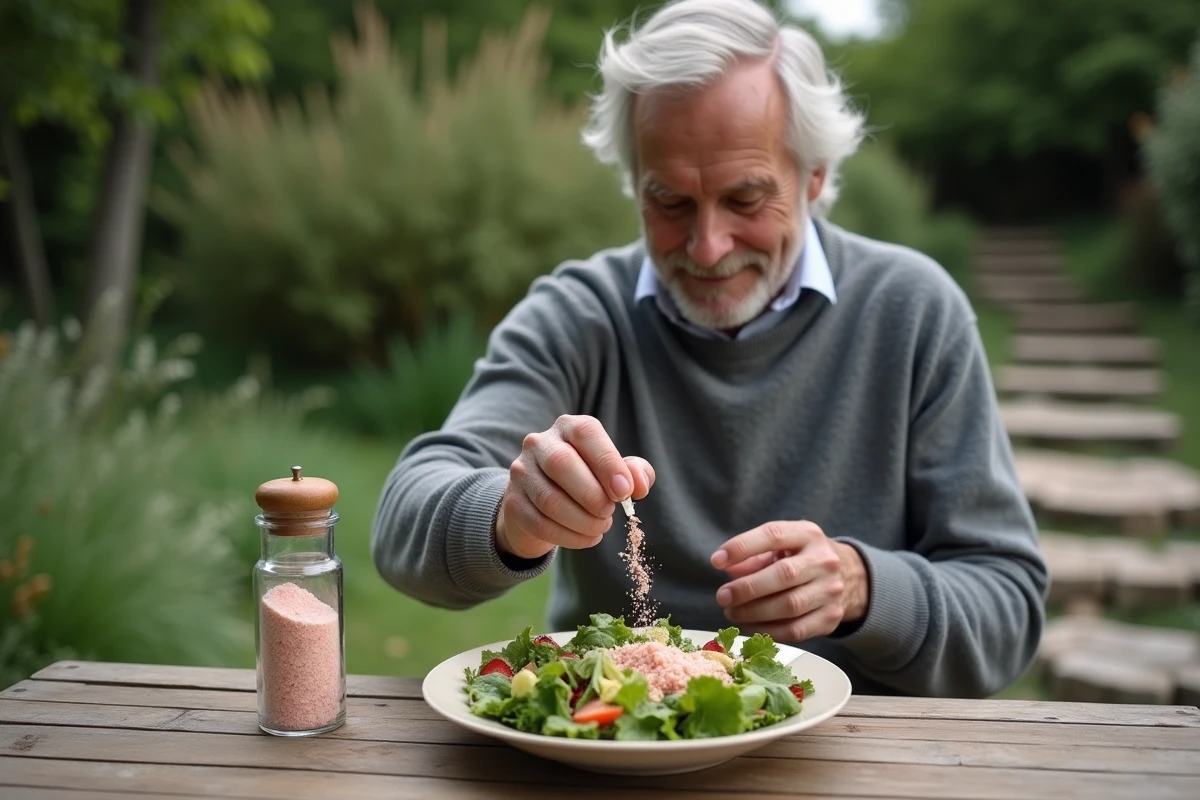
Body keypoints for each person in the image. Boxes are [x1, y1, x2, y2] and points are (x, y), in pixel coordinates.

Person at [371, 0, 1047, 698]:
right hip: (608, 752)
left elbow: (1008, 610)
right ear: (636, 183)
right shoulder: (578, 315)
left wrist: (866, 589)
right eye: (669, 203)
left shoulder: (913, 311)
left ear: (814, 177)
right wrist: (509, 517)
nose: (707, 247)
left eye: (746, 200)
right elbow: (402, 525)